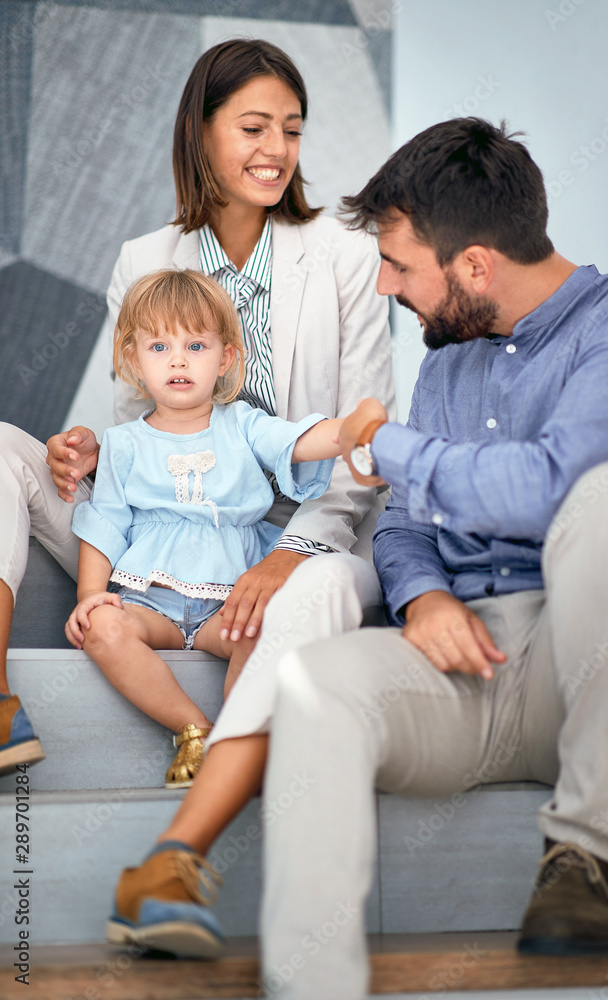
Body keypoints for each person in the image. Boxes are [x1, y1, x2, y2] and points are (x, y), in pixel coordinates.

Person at [108, 117, 608, 992]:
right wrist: (421, 598)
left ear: (475, 266)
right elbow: (403, 525)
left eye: (399, 265)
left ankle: (581, 856)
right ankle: (311, 982)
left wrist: (393, 445)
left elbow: (557, 487)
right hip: (468, 662)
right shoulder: (445, 367)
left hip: (604, 668)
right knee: (313, 683)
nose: (381, 285)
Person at [0, 38, 394, 775]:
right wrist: (85, 451)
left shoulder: (343, 250)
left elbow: (359, 448)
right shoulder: (145, 258)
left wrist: (284, 558)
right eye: (253, 128)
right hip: (158, 545)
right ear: (200, 131)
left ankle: (225, 765)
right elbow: (137, 430)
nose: (277, 149)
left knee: (298, 596)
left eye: (292, 127)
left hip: (305, 533)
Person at [65, 268, 346, 789]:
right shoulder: (123, 443)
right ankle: (195, 729)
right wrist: (89, 596)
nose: (177, 359)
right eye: (158, 346)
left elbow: (297, 443)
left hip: (228, 603)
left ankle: (239, 740)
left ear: (226, 358)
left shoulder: (242, 423)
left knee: (266, 631)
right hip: (152, 603)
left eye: (195, 344)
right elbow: (104, 522)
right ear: (133, 359)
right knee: (103, 631)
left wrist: (350, 431)